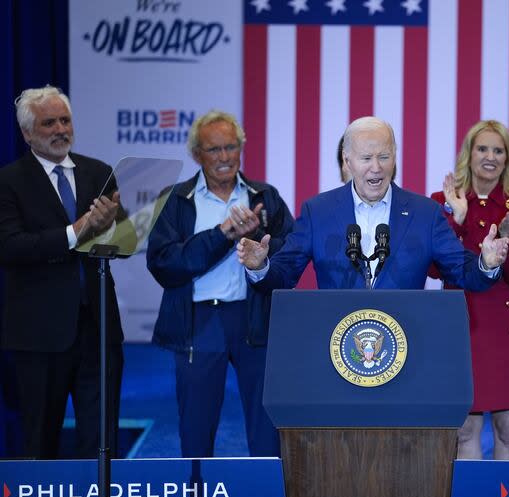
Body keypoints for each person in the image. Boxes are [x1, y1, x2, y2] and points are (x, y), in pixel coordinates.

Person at [146, 110, 294, 458]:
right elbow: (164, 264)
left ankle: (268, 495)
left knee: (266, 429)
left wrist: (256, 238)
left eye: (231, 147)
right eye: (214, 150)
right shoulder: (175, 199)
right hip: (199, 321)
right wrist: (223, 235)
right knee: (196, 429)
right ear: (197, 154)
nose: (225, 157)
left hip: (254, 318)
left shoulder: (265, 197)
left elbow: (290, 255)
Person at [237, 116, 509, 292]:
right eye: (366, 158)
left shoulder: (425, 213)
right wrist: (259, 267)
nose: (376, 168)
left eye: (385, 156)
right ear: (348, 161)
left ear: (395, 158)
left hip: (406, 348)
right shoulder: (317, 211)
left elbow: (462, 272)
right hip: (336, 348)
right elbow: (284, 275)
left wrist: (486, 263)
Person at [0, 85, 124, 459]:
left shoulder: (100, 172)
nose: (60, 129)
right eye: (48, 122)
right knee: (40, 443)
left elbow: (117, 244)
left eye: (65, 120)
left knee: (100, 442)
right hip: (39, 337)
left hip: (99, 330)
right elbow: (11, 247)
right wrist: (79, 229)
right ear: (27, 133)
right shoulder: (8, 181)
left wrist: (120, 228)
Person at [430, 120, 509, 460]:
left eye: (499, 150)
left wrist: (507, 232)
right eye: (483, 148)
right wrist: (457, 220)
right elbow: (435, 268)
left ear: (508, 159)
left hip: (506, 325)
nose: (490, 157)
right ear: (469, 153)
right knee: (465, 430)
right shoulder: (443, 200)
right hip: (462, 325)